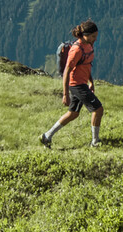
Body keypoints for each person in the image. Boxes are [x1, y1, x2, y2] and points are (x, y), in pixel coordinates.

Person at [41, 20, 103, 148]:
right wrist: (65, 94)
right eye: (92, 36)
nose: (95, 39)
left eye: (96, 36)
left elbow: (86, 65)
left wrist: (90, 81)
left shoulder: (89, 45)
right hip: (76, 85)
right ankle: (95, 142)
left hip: (83, 84)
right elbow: (66, 72)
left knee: (73, 113)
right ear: (84, 35)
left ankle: (47, 136)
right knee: (98, 109)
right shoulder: (76, 49)